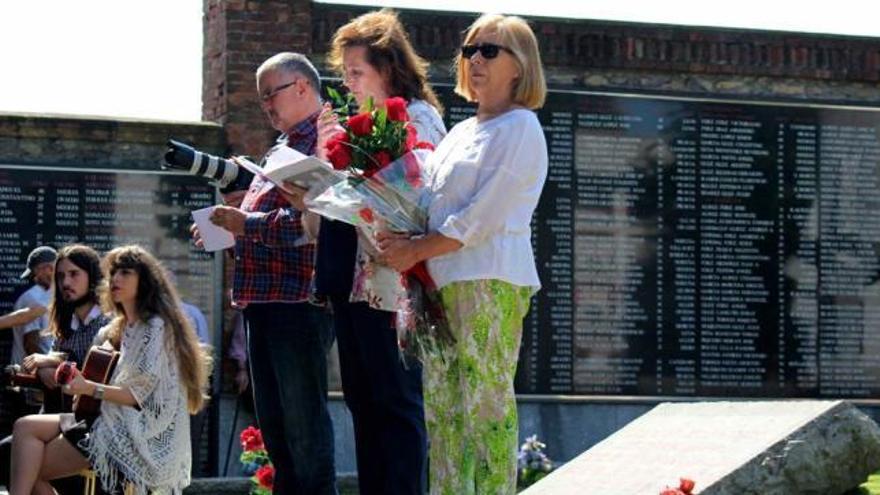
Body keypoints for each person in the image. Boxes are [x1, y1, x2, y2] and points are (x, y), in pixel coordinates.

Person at [377, 13, 548, 494]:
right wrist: (392, 230)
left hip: (488, 279)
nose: (474, 59)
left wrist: (415, 249)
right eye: (469, 50)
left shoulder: (521, 128)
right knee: (445, 414)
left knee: (485, 407)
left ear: (519, 65)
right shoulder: (460, 132)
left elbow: (480, 219)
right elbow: (430, 207)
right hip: (438, 281)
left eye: (489, 50)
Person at [309, 9, 446, 495]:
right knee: (363, 404)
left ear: (387, 68)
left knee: (396, 403)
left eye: (356, 72)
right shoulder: (356, 124)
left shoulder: (419, 115)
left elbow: (426, 196)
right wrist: (327, 163)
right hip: (354, 279)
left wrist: (358, 185)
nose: (348, 84)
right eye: (344, 74)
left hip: (393, 282)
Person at [195, 52, 337, 494]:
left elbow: (319, 226)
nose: (265, 107)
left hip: (299, 302)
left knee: (303, 431)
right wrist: (229, 228)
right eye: (259, 100)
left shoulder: (326, 142)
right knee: (277, 432)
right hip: (264, 303)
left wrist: (246, 224)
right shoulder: (280, 148)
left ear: (300, 87)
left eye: (268, 95)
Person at [9, 244, 210, 495]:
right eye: (113, 272)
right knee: (24, 428)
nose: (115, 278)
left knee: (28, 468)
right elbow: (86, 361)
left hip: (128, 433)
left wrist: (88, 388)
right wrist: (55, 363)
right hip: (102, 418)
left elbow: (136, 395)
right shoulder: (118, 327)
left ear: (145, 281)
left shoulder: (155, 328)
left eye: (125, 272)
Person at [20, 244, 111, 413]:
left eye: (74, 274)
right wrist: (43, 369)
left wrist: (53, 362)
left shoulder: (109, 323)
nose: (65, 282)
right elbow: (47, 358)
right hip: (60, 413)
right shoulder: (67, 322)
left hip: (94, 421)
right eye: (60, 276)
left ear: (92, 277)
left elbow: (96, 373)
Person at [9, 246, 56, 369]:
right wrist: (48, 370)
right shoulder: (32, 298)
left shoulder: (51, 295)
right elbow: (30, 344)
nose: (34, 277)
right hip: (30, 379)